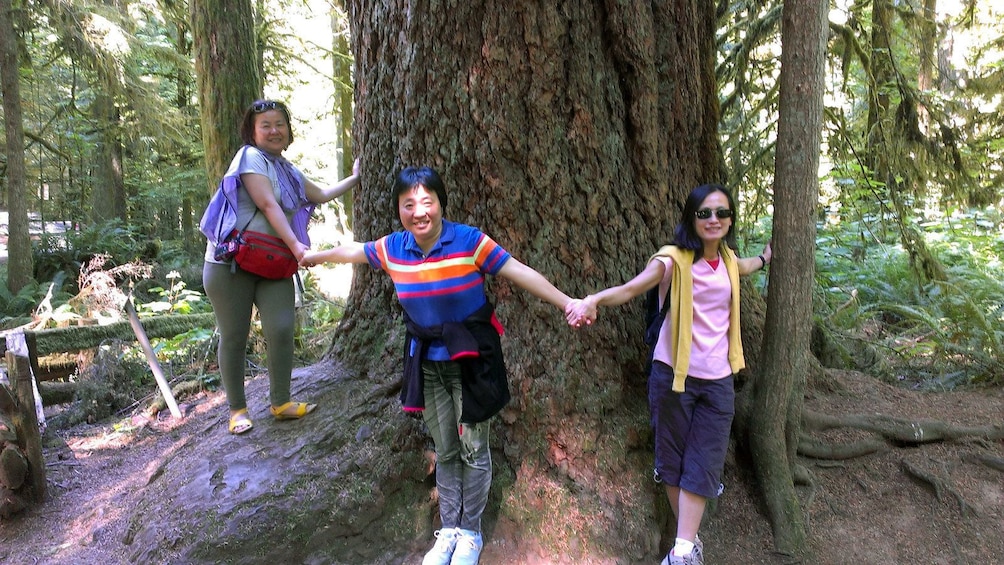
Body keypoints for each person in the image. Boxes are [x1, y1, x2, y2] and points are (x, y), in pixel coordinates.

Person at [300, 166, 576, 565]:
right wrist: (315, 257)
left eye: (427, 202)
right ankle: (448, 529)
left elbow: (518, 271)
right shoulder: (394, 247)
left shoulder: (469, 242)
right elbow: (354, 251)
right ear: (398, 209)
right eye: (408, 204)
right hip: (428, 364)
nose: (419, 212)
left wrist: (567, 302)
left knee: (474, 450)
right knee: (445, 449)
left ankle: (471, 533)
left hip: (472, 363)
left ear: (441, 202)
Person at [566, 184, 771, 565]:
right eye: (705, 213)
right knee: (672, 463)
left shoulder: (728, 260)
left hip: (719, 381)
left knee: (705, 463)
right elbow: (630, 289)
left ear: (730, 220)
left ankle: (681, 551)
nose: (714, 220)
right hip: (673, 377)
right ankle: (687, 547)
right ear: (691, 218)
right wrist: (593, 300)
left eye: (722, 213)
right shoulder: (672, 260)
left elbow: (746, 267)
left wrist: (765, 257)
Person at [199, 99, 360, 435]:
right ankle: (237, 410)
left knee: (282, 329)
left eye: (279, 124)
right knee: (234, 335)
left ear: (288, 130)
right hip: (230, 263)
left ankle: (281, 402)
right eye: (265, 125)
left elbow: (322, 193)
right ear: (252, 132)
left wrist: (356, 178)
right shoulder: (249, 158)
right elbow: (268, 204)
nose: (274, 131)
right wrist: (298, 246)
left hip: (271, 262)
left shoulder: (288, 170)